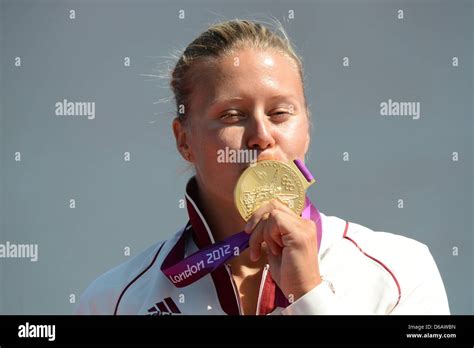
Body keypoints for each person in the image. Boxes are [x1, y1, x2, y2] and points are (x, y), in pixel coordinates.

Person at [74, 19, 450, 315]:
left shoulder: (401, 270)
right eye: (232, 115)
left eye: (280, 113)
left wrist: (309, 295)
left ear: (307, 128)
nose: (261, 136)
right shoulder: (114, 301)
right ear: (183, 140)